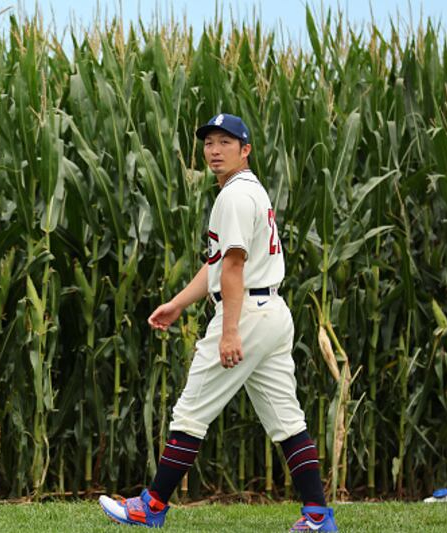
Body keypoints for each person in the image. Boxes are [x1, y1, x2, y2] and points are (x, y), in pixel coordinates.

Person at [99, 113, 338, 532]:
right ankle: (317, 516)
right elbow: (217, 264)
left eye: (226, 142)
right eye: (209, 142)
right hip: (271, 312)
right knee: (287, 421)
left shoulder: (233, 196)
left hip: (245, 314)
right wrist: (177, 303)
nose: (214, 150)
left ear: (245, 150)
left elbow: (233, 266)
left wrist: (229, 331)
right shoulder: (251, 190)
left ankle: (151, 505)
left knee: (191, 412)